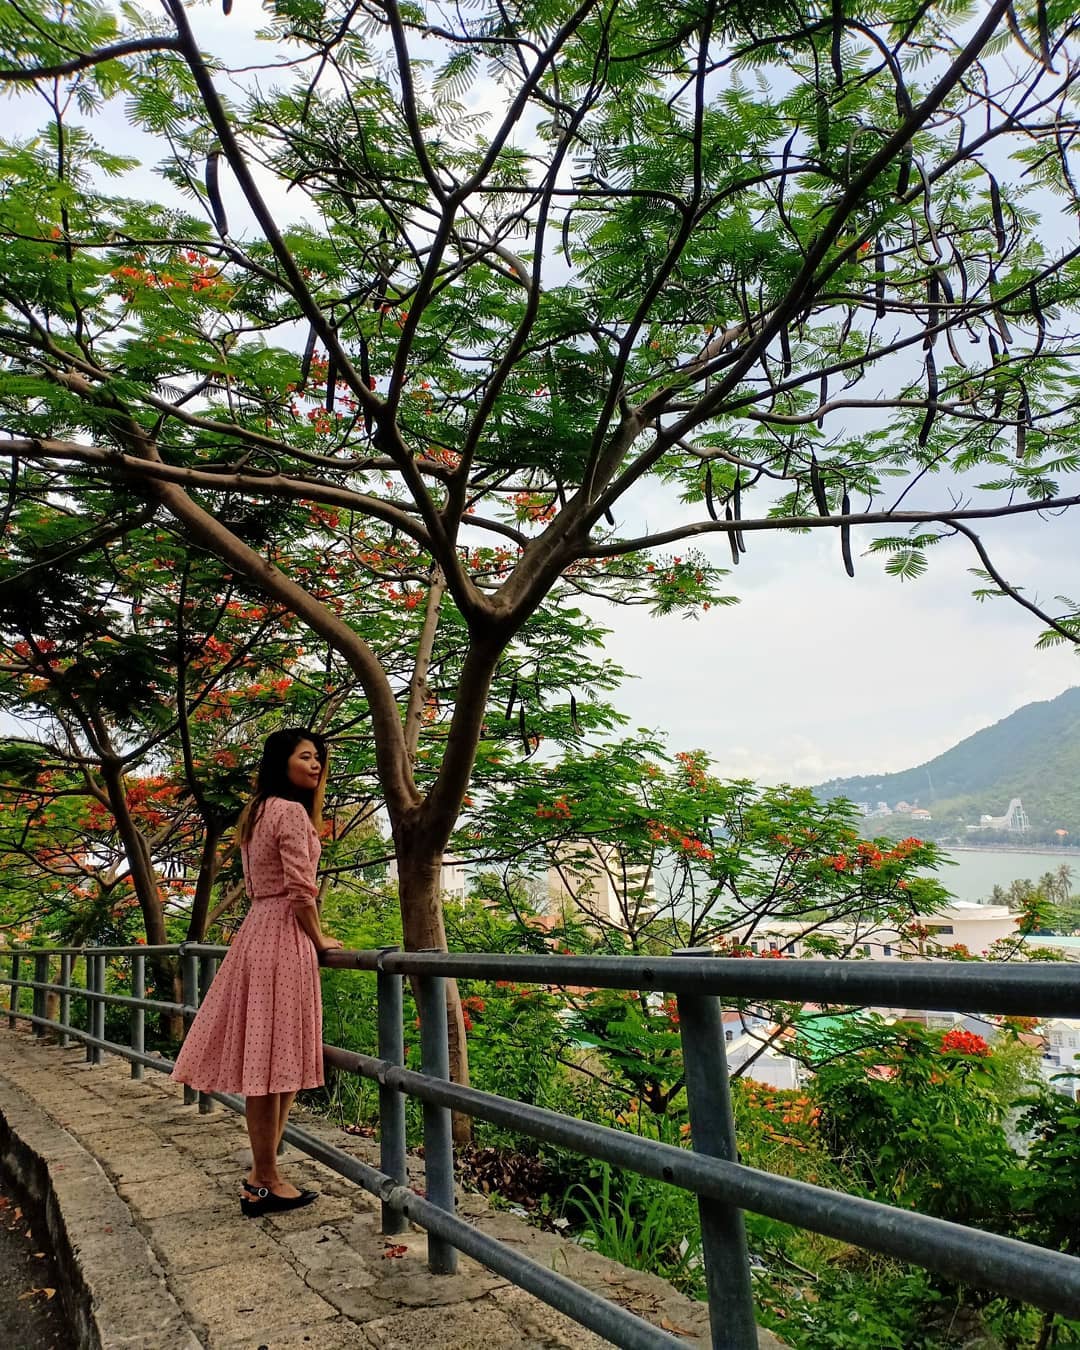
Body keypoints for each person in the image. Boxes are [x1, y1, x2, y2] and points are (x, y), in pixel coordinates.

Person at [171, 727, 343, 1218]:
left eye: (318, 759)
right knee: (276, 1061)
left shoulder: (258, 811)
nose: (315, 766)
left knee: (269, 1062)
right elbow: (300, 888)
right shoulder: (289, 812)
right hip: (284, 937)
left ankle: (262, 1175)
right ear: (281, 762)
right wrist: (319, 936)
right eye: (306, 757)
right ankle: (265, 1176)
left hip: (256, 932)